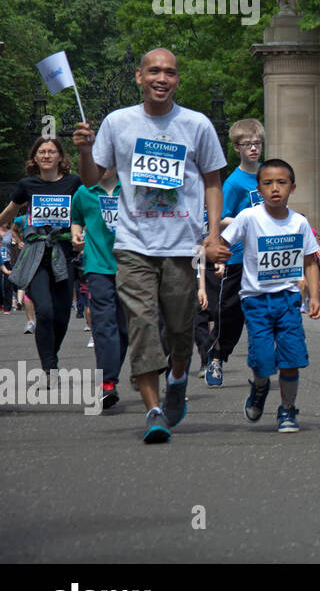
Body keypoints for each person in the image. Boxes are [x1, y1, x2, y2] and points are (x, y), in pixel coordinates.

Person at [72, 47, 226, 443]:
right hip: (133, 244)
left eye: (170, 73)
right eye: (154, 71)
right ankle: (153, 411)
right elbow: (97, 179)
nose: (162, 78)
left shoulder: (196, 124)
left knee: (179, 330)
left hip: (181, 246)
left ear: (177, 80)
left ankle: (178, 378)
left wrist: (211, 236)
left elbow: (212, 181)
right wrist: (86, 152)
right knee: (141, 325)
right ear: (139, 77)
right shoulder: (119, 122)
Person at [221, 159, 320, 432]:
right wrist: (218, 257)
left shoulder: (299, 222)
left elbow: (310, 261)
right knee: (264, 360)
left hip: (289, 299)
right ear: (258, 188)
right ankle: (260, 386)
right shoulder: (249, 217)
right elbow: (224, 242)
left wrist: (314, 296)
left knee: (291, 358)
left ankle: (287, 410)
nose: (275, 188)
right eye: (267, 183)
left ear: (293, 187)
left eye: (281, 183)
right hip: (255, 300)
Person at [0, 137, 83, 382]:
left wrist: (82, 234)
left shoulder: (73, 183)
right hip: (36, 256)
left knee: (62, 316)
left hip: (64, 253)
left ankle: (50, 355)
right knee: (44, 311)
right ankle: (50, 367)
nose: (46, 156)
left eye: (51, 152)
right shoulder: (27, 184)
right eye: (42, 152)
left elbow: (85, 210)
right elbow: (8, 213)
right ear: (35, 158)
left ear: (60, 157)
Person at [204, 118, 265, 388]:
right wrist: (246, 219)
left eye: (257, 143)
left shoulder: (267, 174)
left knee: (263, 311)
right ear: (236, 148)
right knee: (230, 314)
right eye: (247, 144)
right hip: (238, 257)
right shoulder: (233, 182)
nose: (253, 148)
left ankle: (261, 364)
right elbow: (220, 218)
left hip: (264, 257)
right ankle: (216, 356)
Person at [70, 166, 129, 409]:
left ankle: (111, 373)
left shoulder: (130, 188)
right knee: (104, 323)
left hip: (130, 265)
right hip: (97, 264)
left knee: (124, 330)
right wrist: (75, 235)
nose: (103, 167)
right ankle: (107, 383)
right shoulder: (84, 191)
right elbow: (77, 219)